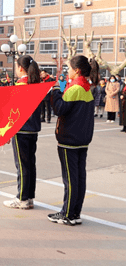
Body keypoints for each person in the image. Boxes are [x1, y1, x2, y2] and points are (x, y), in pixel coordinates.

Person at [49, 55, 99, 226]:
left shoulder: (75, 88)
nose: (67, 71)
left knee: (70, 179)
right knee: (78, 177)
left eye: (69, 68)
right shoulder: (86, 89)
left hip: (69, 140)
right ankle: (74, 212)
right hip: (82, 140)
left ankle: (68, 214)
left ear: (76, 70)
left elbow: (60, 109)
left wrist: (55, 92)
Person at [3, 55, 41, 210]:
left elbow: (13, 111)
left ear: (20, 68)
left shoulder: (20, 86)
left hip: (21, 130)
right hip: (33, 130)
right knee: (30, 164)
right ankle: (29, 197)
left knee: (22, 166)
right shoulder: (36, 85)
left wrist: (7, 131)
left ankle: (22, 198)